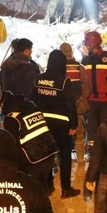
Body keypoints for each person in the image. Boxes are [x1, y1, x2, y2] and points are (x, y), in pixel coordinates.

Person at [31, 50, 79, 198]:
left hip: (42, 123)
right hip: (61, 124)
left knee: (46, 154)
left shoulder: (38, 79)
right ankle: (66, 188)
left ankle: (47, 184)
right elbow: (70, 104)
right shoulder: (64, 81)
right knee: (64, 156)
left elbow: (32, 100)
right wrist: (73, 125)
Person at [81, 31, 107, 148]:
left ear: (92, 45)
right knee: (91, 127)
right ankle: (92, 150)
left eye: (87, 44)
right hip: (91, 100)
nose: (85, 47)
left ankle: (106, 149)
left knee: (106, 127)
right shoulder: (85, 60)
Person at [60, 42, 88, 165]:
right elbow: (86, 88)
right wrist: (81, 100)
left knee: (62, 134)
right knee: (79, 134)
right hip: (77, 107)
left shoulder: (58, 69)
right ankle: (81, 159)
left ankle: (62, 161)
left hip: (62, 107)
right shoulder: (80, 67)